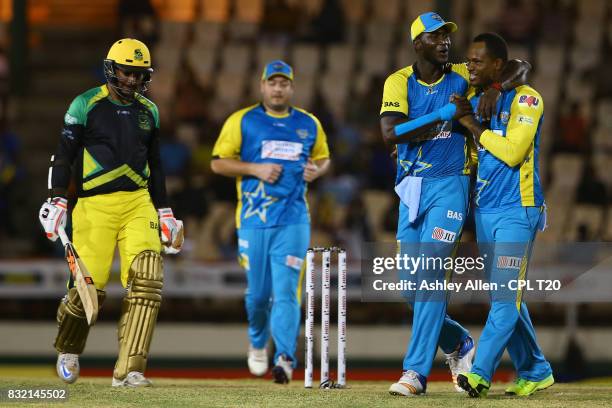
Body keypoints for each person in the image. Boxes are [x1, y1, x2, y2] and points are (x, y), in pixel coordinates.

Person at [379, 12, 531, 396]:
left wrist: (496, 87)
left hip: (451, 186)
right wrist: (446, 113)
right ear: (417, 44)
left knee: (429, 276)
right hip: (411, 188)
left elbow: (521, 65)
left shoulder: (464, 73)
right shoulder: (399, 81)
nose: (445, 41)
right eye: (435, 36)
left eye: (447, 35)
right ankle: (460, 343)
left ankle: (414, 373)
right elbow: (390, 133)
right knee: (408, 288)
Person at [38, 38, 184, 387]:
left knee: (147, 279)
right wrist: (57, 199)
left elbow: (156, 166)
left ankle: (129, 370)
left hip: (137, 203)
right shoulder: (86, 104)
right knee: (88, 287)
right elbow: (64, 155)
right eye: (125, 72)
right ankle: (69, 347)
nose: (132, 80)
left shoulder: (150, 111)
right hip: (94, 206)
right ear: (110, 69)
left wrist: (164, 211)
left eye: (138, 74)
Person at [211, 60, 330, 384]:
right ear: (262, 85)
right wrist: (255, 169)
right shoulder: (243, 120)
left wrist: (317, 170)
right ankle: (257, 341)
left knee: (288, 292)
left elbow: (323, 157)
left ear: (292, 88)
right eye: (272, 83)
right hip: (253, 220)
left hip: (293, 220)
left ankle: (285, 358)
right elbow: (218, 164)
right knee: (259, 295)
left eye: (284, 83)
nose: (278, 89)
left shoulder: (308, 123)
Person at [453, 32, 554, 397]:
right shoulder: (480, 97)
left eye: (477, 61)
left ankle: (479, 374)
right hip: (486, 211)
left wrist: (474, 128)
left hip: (518, 209)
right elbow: (485, 158)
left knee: (504, 297)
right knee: (506, 297)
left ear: (498, 65)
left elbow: (512, 153)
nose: (470, 67)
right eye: (468, 61)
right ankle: (536, 369)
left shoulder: (527, 98)